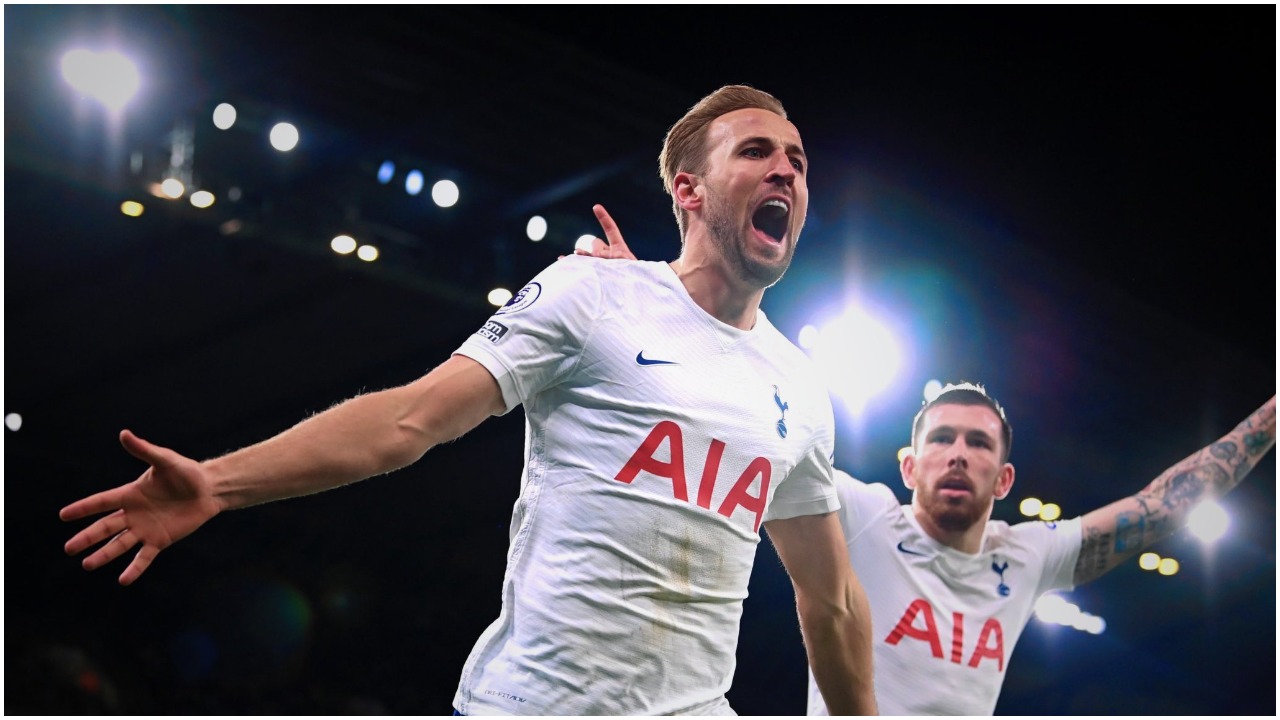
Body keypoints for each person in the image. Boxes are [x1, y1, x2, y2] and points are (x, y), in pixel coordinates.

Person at [60, 85, 878, 716]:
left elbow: (832, 600)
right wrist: (218, 481)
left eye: (799, 161)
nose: (787, 171)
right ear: (690, 191)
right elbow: (408, 419)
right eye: (758, 152)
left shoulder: (799, 386)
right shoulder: (594, 296)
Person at [578, 215, 1277, 715]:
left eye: (978, 445)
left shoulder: (1031, 555)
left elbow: (1167, 505)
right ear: (908, 464)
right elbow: (742, 417)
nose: (958, 454)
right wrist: (652, 305)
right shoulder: (859, 514)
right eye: (942, 439)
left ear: (1004, 480)